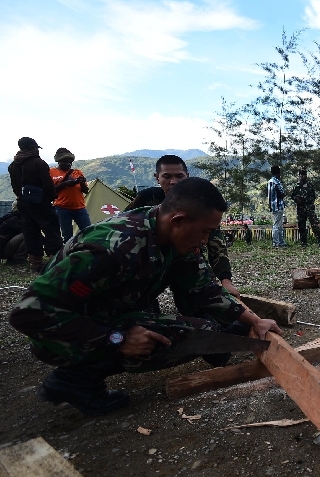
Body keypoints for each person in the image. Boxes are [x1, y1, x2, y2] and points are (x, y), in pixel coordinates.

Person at [8, 177, 282, 417]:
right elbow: (28, 313)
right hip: (62, 336)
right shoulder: (111, 248)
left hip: (108, 316)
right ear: (178, 220)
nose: (205, 240)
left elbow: (206, 289)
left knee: (205, 331)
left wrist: (254, 320)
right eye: (206, 231)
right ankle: (75, 379)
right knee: (178, 338)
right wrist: (117, 339)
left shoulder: (176, 238)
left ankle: (92, 362)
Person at [125, 154, 241, 297]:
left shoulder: (200, 203)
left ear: (187, 176)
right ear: (157, 177)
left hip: (186, 256)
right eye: (167, 176)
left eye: (179, 176)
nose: (173, 182)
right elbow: (125, 224)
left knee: (201, 299)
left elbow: (216, 243)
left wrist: (225, 280)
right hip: (149, 258)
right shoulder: (146, 198)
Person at [7, 137, 63, 272]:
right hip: (41, 203)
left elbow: (15, 186)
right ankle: (54, 262)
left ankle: (35, 263)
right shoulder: (38, 163)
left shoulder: (13, 165)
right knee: (51, 230)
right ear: (33, 148)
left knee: (30, 232)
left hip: (22, 203)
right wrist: (51, 197)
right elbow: (48, 185)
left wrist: (21, 197)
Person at [49, 147, 91, 242]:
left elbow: (86, 190)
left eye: (70, 162)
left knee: (88, 231)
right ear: (59, 162)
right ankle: (69, 253)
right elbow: (50, 190)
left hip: (80, 207)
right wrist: (66, 183)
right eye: (65, 162)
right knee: (67, 235)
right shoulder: (52, 172)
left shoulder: (77, 172)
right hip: (61, 208)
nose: (68, 164)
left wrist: (81, 182)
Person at [290, 170, 320, 247]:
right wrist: (296, 199)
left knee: (315, 225)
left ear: (306, 176)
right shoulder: (296, 186)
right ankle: (303, 242)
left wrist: (306, 200)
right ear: (299, 176)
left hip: (309, 208)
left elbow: (313, 197)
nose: (303, 177)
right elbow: (292, 196)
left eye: (304, 175)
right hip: (300, 209)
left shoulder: (310, 185)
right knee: (301, 226)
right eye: (301, 175)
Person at [267, 165, 288, 248]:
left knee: (278, 224)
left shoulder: (270, 181)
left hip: (273, 206)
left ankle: (280, 242)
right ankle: (277, 242)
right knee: (277, 225)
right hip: (278, 206)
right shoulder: (276, 182)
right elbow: (282, 193)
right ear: (279, 173)